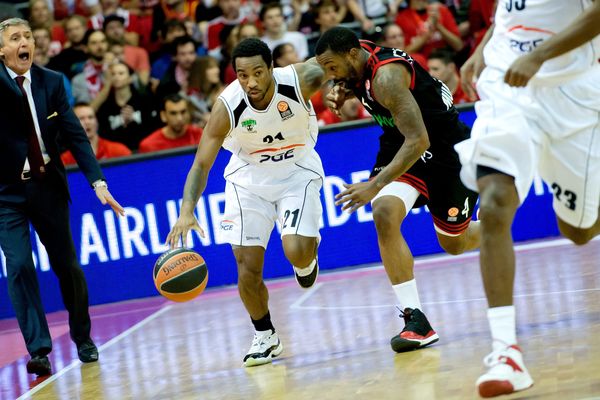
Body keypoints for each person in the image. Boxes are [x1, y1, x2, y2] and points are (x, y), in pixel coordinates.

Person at [455, 2, 600, 397]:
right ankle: (506, 352)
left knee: (579, 231)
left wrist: (540, 55)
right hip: (508, 86)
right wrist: (484, 47)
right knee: (495, 201)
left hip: (576, 94)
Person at [315, 27, 480, 353]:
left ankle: (494, 229)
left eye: (332, 67)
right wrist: (341, 86)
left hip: (445, 153)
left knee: (454, 244)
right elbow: (353, 75)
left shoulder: (386, 78)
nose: (329, 75)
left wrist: (373, 185)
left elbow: (420, 140)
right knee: (384, 212)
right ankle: (415, 319)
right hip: (400, 145)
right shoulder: (357, 55)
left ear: (350, 55)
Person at [166, 38, 327, 367]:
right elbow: (201, 163)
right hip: (248, 179)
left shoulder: (299, 80)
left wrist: (344, 89)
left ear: (271, 68)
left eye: (257, 73)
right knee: (246, 266)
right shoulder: (228, 105)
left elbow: (343, 58)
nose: (250, 82)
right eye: (242, 75)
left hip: (296, 170)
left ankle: (306, 258)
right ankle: (265, 335)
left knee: (295, 249)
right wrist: (186, 211)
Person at [0, 18, 124, 377]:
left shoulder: (52, 82)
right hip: (7, 193)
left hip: (47, 186)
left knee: (67, 266)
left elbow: (75, 135)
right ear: (2, 50)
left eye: (28, 36)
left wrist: (98, 183)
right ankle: (38, 349)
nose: (25, 42)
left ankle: (83, 338)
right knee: (20, 265)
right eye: (15, 38)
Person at [61, 102, 132, 165]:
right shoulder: (65, 160)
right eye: (81, 118)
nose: (87, 122)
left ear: (97, 122)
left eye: (91, 117)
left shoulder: (118, 151)